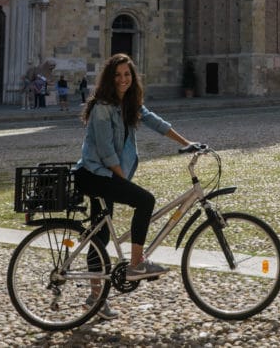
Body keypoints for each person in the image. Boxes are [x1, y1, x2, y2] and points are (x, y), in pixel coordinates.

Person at [73, 54, 197, 319]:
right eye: (117, 75)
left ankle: (95, 299)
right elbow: (106, 152)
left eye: (127, 74)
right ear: (110, 78)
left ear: (133, 77)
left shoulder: (129, 103)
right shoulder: (103, 107)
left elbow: (154, 121)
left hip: (104, 175)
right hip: (94, 175)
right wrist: (122, 181)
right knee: (144, 200)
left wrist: (187, 143)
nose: (123, 79)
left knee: (100, 237)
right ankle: (136, 264)